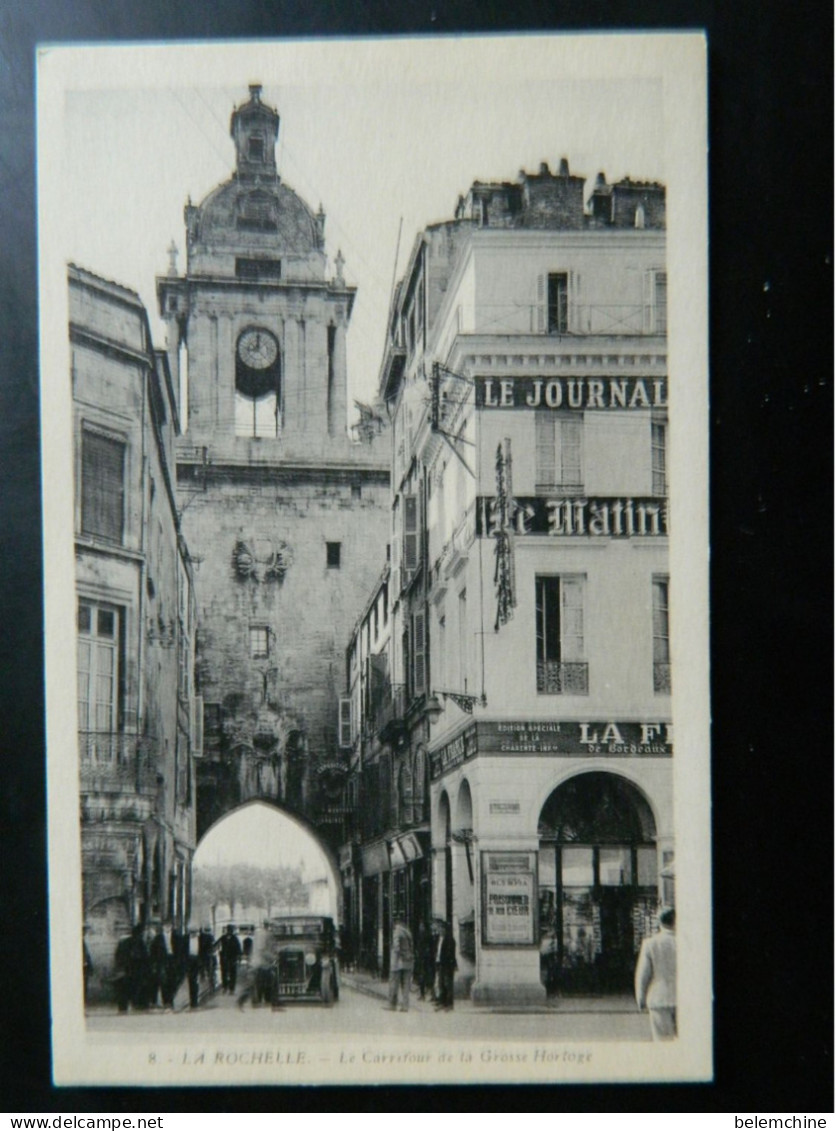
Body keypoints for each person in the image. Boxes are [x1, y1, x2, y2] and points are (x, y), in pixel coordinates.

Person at [635, 906, 677, 1040]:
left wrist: (640, 998)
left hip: (658, 998)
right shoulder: (685, 942)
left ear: (659, 922)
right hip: (683, 999)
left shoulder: (650, 944)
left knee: (662, 1041)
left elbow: (643, 974)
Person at [113, 923, 149, 1012]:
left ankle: (124, 1006)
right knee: (134, 987)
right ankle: (135, 1005)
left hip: (126, 969)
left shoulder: (124, 942)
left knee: (125, 989)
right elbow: (142, 957)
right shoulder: (139, 942)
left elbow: (118, 955)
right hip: (134, 969)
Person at [387, 915, 414, 1012]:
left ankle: (392, 1005)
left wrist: (402, 954)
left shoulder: (397, 932)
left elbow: (397, 947)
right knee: (406, 986)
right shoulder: (408, 932)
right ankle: (405, 1006)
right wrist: (408, 955)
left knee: (394, 984)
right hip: (408, 963)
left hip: (397, 963)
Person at [435, 922, 457, 1011]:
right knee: (441, 983)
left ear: (444, 930)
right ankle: (442, 1002)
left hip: (447, 965)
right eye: (439, 929)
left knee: (448, 984)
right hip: (440, 963)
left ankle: (449, 1004)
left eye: (440, 929)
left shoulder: (449, 940)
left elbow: (450, 954)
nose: (439, 930)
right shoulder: (439, 939)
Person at [219, 925, 242, 993]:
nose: (230, 931)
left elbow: (238, 949)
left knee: (233, 973)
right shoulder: (223, 937)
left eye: (231, 930)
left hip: (232, 958)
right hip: (224, 958)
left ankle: (232, 988)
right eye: (229, 930)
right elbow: (217, 945)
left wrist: (238, 958)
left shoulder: (235, 938)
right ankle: (225, 987)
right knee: (224, 973)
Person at [416, 922, 436, 1002]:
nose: (420, 928)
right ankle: (424, 994)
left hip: (426, 960)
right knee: (424, 978)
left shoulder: (427, 936)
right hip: (424, 960)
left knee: (426, 978)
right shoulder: (423, 936)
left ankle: (426, 995)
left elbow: (430, 948)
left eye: (422, 926)